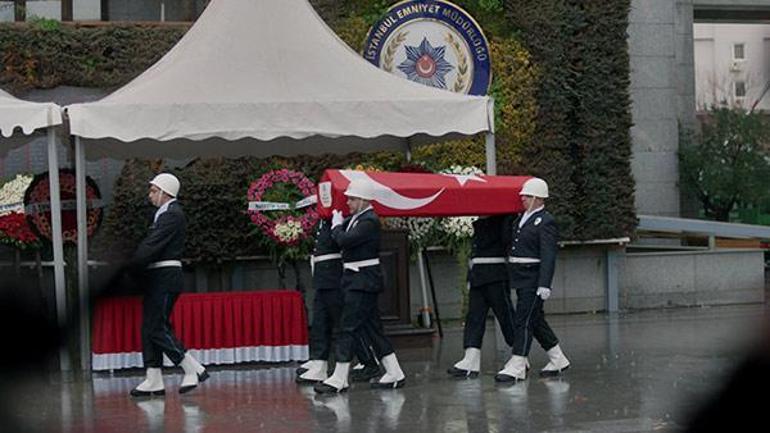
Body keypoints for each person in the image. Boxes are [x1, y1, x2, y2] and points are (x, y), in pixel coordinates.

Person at [314, 179, 406, 393]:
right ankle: (395, 372)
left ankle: (339, 377)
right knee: (373, 330)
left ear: (365, 200)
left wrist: (336, 226)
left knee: (348, 327)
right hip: (357, 280)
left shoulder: (369, 220)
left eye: (353, 199)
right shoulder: (358, 218)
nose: (349, 202)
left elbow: (344, 241)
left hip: (363, 281)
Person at [129, 173, 208, 397]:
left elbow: (151, 246)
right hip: (157, 276)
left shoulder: (172, 214)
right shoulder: (163, 214)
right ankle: (153, 377)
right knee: (150, 326)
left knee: (156, 326)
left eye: (154, 191)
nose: (150, 195)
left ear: (166, 192)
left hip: (165, 276)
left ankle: (191, 367)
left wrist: (130, 265)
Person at [496, 177, 570, 382]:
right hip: (520, 277)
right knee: (535, 320)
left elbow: (548, 254)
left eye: (527, 196)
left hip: (533, 277)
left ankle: (518, 363)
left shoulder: (546, 221)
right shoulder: (521, 218)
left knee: (524, 320)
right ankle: (558, 358)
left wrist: (544, 283)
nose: (523, 199)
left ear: (538, 198)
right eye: (523, 195)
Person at [296, 218, 380, 384]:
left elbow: (341, 240)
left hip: (333, 274)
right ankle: (319, 361)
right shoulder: (324, 218)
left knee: (344, 322)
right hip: (323, 274)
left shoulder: (338, 217)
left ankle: (368, 360)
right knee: (320, 320)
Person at [447, 215, 516, 378]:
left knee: (506, 316)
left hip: (495, 274)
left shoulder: (504, 218)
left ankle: (519, 355)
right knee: (474, 317)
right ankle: (471, 358)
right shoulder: (482, 218)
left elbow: (507, 240)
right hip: (479, 273)